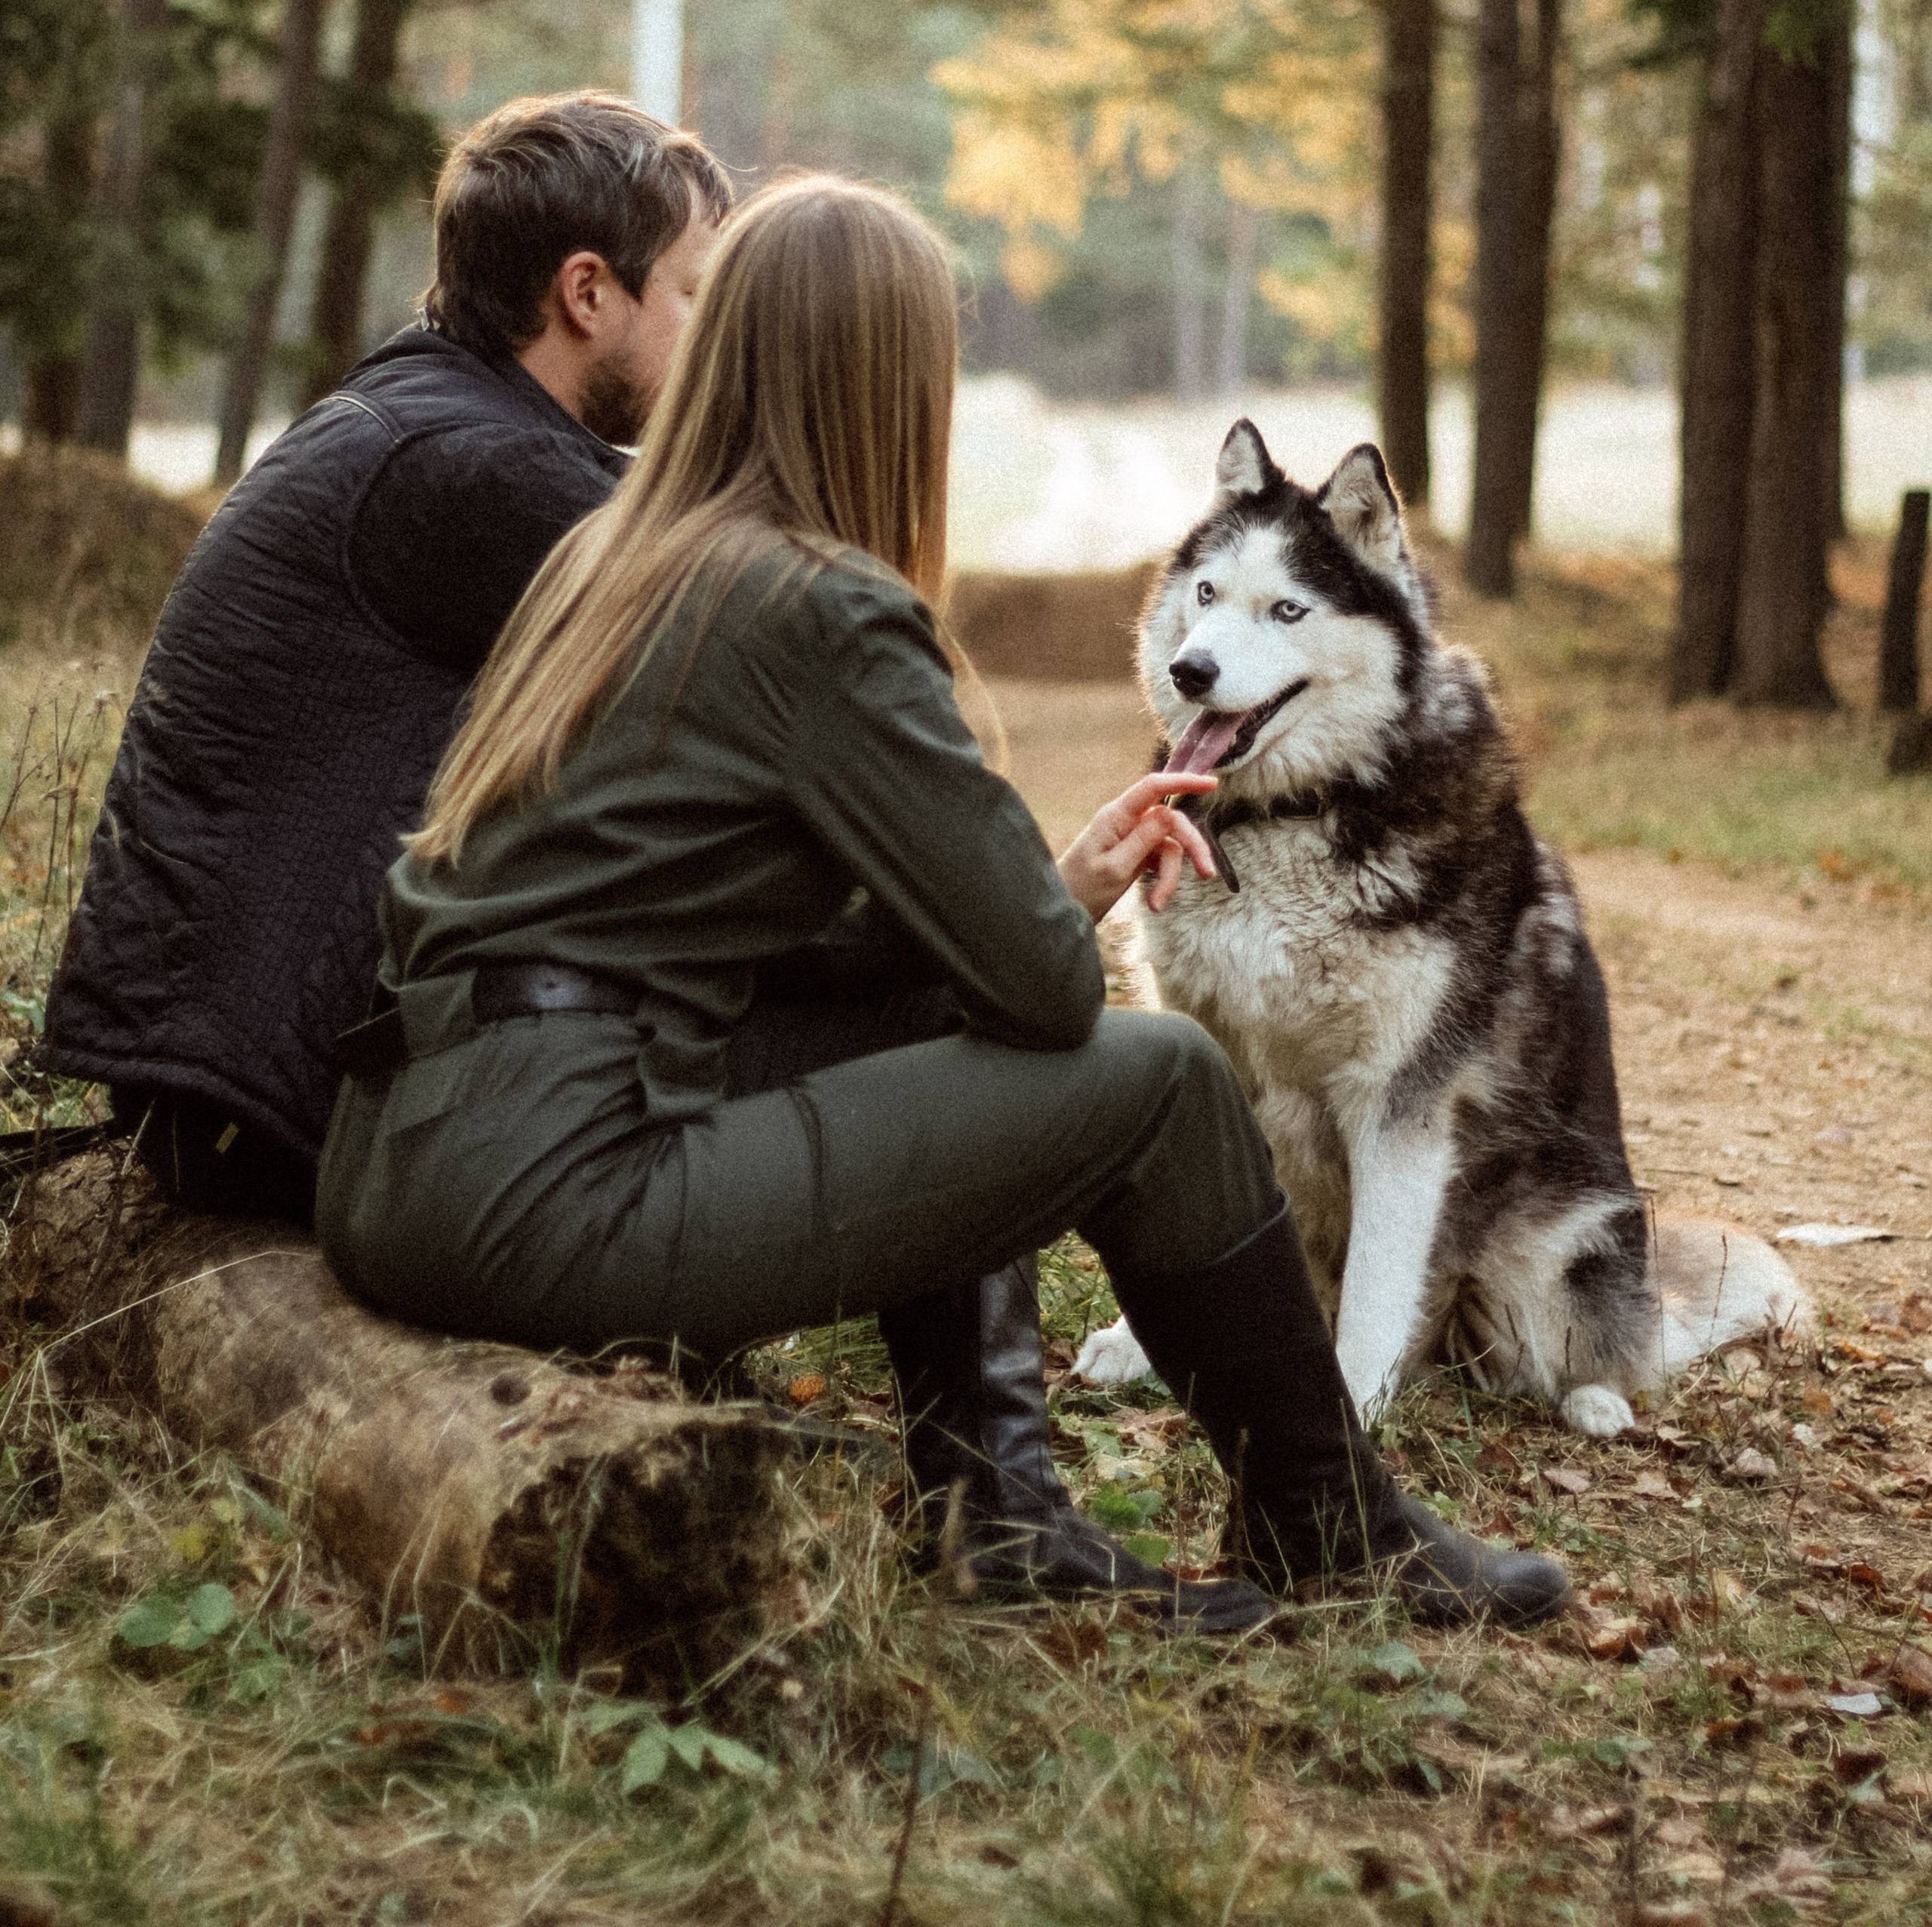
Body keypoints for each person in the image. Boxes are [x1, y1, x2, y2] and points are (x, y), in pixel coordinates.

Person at [317, 175, 1569, 1633]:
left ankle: (1000, 1515)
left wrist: (1059, 886)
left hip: (403, 1156)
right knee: (1157, 1078)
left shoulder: (615, 553)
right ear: (892, 384)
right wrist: (1042, 914)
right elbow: (1043, 996)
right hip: (555, 1190)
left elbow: (800, 939)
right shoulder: (823, 607)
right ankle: (1333, 1527)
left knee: (922, 995)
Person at [42, 91, 728, 1223]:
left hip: (227, 1077)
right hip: (268, 1107)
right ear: (589, 292)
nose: (719, 337)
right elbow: (771, 658)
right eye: (701, 295)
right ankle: (956, 1404)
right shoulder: (477, 471)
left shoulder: (429, 419)